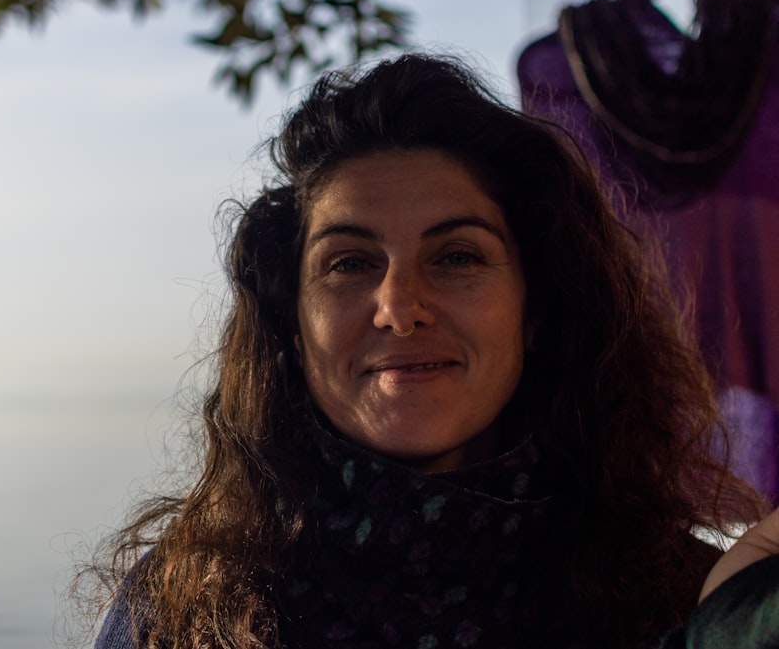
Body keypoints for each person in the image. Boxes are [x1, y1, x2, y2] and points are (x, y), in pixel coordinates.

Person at [74, 53, 778, 649]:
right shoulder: (182, 610)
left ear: (536, 309)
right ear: (293, 321)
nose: (400, 307)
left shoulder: (696, 604)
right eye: (349, 263)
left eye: (457, 256)